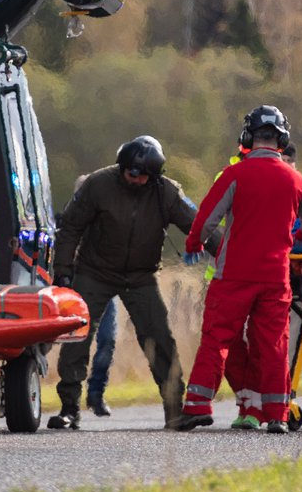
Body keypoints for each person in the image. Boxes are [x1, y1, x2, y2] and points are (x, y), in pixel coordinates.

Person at [173, 106, 302, 433]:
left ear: (248, 138)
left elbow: (206, 220)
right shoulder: (297, 180)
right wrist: (296, 236)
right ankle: (277, 415)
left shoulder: (234, 175)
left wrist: (194, 244)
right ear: (282, 140)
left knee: (216, 338)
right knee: (274, 345)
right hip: (275, 278)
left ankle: (197, 405)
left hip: (233, 275)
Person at [48, 135, 198, 430]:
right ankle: (69, 408)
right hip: (94, 272)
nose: (134, 178)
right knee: (78, 336)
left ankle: (174, 410)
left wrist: (229, 254)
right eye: (129, 172)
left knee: (159, 337)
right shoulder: (98, 184)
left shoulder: (166, 193)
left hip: (140, 277)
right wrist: (63, 271)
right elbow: (71, 227)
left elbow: (196, 224)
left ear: (154, 176)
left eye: (141, 175)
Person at [71, 173, 120, 418]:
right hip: (77, 291)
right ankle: (71, 399)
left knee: (108, 340)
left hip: (106, 288)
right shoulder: (70, 223)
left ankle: (96, 394)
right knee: (77, 344)